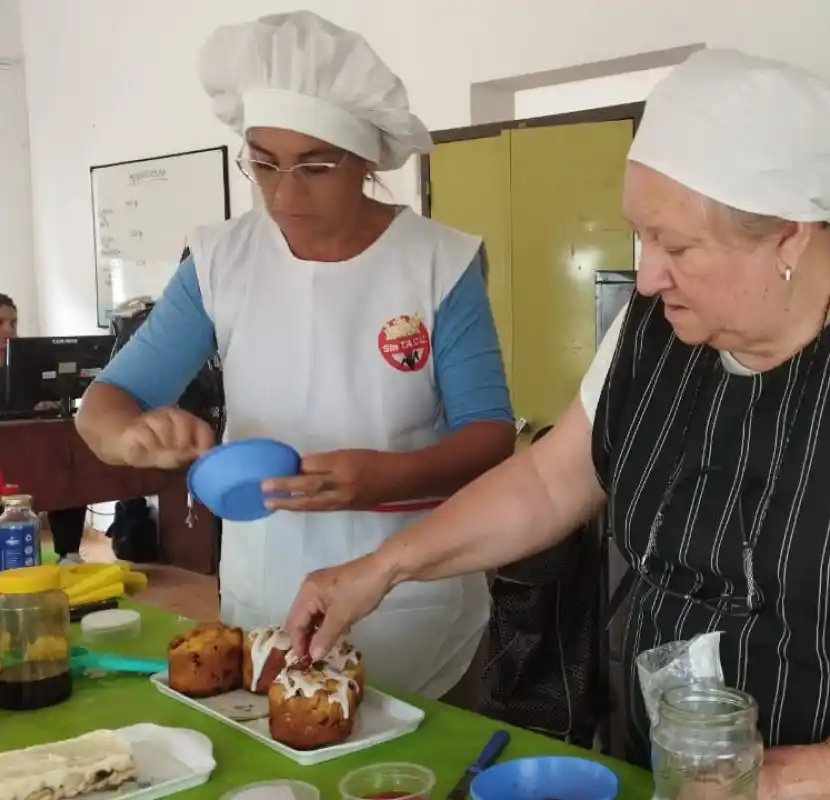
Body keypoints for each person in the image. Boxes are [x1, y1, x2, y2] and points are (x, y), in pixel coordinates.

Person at [285, 49, 830, 799]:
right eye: (641, 234)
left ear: (789, 235)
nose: (646, 273)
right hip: (690, 769)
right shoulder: (652, 329)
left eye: (676, 244)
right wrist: (382, 569)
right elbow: (548, 479)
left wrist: (803, 781)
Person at [75, 11, 514, 704]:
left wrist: (387, 478)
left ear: (367, 158)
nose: (284, 194)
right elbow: (106, 401)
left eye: (315, 165)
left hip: (413, 602)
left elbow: (490, 436)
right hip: (265, 600)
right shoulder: (222, 261)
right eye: (263, 162)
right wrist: (129, 434)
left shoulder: (438, 264)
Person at [0, 293, 90, 564]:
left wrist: (48, 405)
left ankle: (69, 554)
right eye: (1, 322)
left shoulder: (27, 367)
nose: (9, 330)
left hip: (24, 447)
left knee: (65, 463)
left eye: (13, 323)